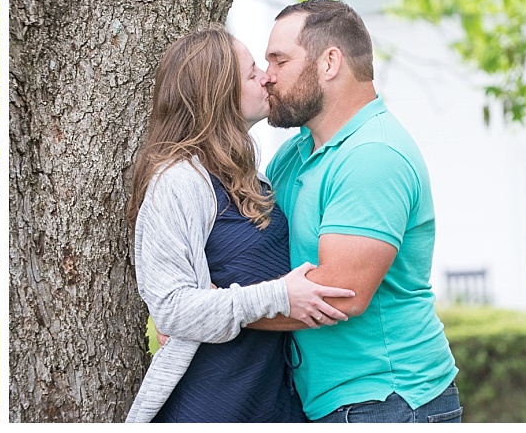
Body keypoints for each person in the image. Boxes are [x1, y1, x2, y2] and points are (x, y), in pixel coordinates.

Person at [125, 27, 356, 423]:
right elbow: (172, 309)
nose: (266, 76)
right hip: (209, 407)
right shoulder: (179, 181)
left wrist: (224, 300)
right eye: (252, 73)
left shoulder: (254, 178)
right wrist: (276, 296)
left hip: (272, 404)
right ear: (218, 95)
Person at [261, 0, 462, 423]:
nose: (267, 77)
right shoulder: (292, 155)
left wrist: (207, 316)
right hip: (323, 401)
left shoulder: (373, 155)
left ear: (330, 62)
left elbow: (338, 295)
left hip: (388, 402)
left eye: (279, 60)